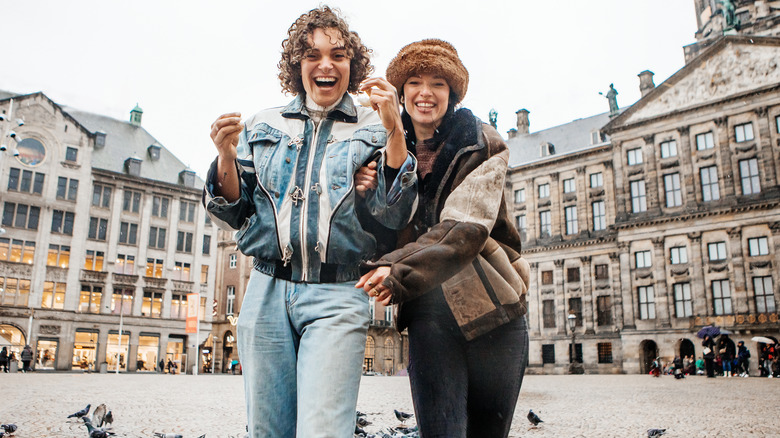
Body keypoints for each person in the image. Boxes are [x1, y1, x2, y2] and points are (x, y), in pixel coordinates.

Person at [203, 6, 418, 437]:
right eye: (312, 54)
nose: (325, 64)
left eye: (338, 55)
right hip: (266, 290)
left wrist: (395, 131)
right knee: (268, 430)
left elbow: (395, 213)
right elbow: (234, 210)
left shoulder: (376, 125)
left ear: (351, 65)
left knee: (324, 429)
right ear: (296, 65)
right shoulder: (262, 124)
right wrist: (225, 155)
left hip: (337, 291)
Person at [356, 39, 529, 438]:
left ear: (452, 92)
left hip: (494, 309)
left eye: (438, 82)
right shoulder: (380, 153)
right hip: (431, 316)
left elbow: (464, 228)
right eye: (414, 81)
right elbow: (378, 241)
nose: (425, 93)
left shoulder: (484, 143)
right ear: (401, 92)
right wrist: (367, 196)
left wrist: (397, 269)